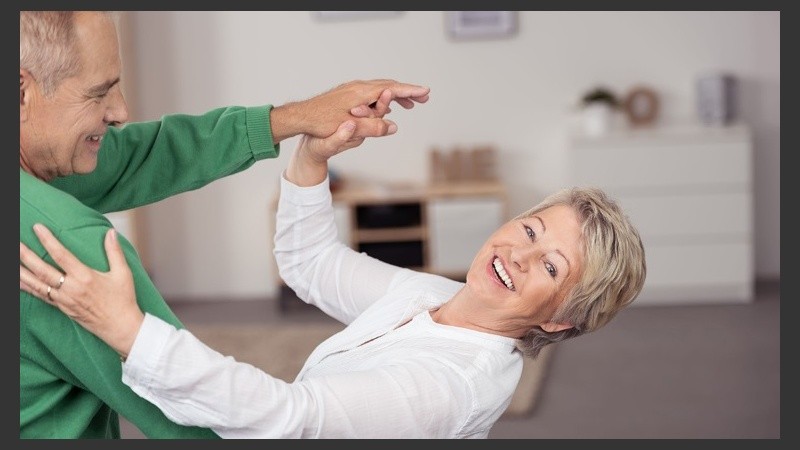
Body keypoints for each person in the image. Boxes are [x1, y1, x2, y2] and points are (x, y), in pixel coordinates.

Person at [20, 116, 647, 438]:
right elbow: (314, 265)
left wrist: (130, 331)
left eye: (550, 267)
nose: (519, 254)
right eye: (531, 231)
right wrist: (312, 158)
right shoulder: (438, 297)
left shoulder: (455, 386)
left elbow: (293, 419)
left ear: (560, 319)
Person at [20, 10, 429, 439]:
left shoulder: (47, 177)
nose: (121, 111)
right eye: (99, 91)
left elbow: (148, 153)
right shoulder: (67, 251)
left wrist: (296, 117)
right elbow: (204, 421)